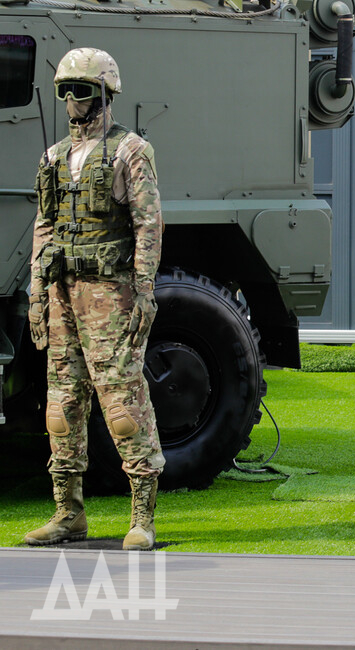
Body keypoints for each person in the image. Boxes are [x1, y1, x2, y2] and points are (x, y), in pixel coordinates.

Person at [24, 48, 165, 551]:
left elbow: (147, 224)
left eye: (81, 89)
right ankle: (68, 515)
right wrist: (37, 293)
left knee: (123, 405)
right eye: (65, 90)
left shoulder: (130, 152)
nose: (70, 100)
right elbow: (45, 225)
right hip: (62, 295)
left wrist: (145, 289)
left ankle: (142, 518)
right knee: (62, 407)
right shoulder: (54, 157)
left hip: (111, 295)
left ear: (106, 92)